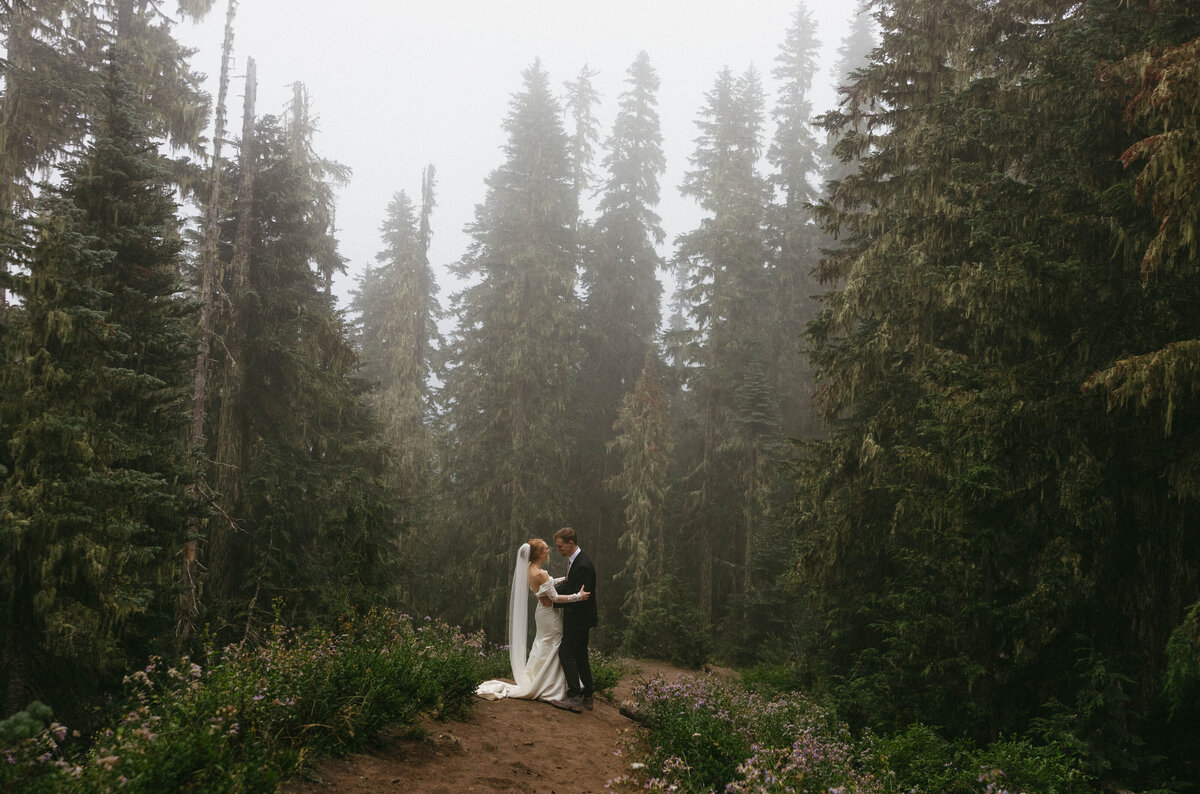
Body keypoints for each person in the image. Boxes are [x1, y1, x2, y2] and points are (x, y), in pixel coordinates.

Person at [476, 538, 590, 702]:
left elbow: (549, 585)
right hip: (550, 614)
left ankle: (541, 678)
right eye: (545, 549)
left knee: (544, 642)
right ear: (538, 554)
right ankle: (550, 684)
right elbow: (556, 598)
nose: (548, 551)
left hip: (542, 612)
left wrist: (566, 579)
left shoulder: (530, 569)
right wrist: (578, 596)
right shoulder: (540, 574)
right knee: (552, 642)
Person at [547, 527, 597, 713]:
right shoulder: (575, 560)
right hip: (580, 616)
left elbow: (581, 595)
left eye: (560, 547)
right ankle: (588, 695)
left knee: (566, 653)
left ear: (570, 543)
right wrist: (552, 592)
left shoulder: (583, 565)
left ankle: (575, 696)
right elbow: (570, 583)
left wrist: (552, 602)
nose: (558, 550)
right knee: (580, 654)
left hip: (579, 617)